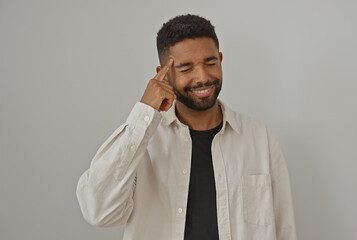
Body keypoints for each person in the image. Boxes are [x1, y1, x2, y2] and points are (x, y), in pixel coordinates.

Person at [76, 14, 296, 240]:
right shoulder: (143, 142)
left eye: (210, 63)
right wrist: (143, 113)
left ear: (220, 59)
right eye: (186, 68)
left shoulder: (259, 138)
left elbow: (284, 229)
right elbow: (98, 212)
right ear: (163, 74)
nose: (202, 77)